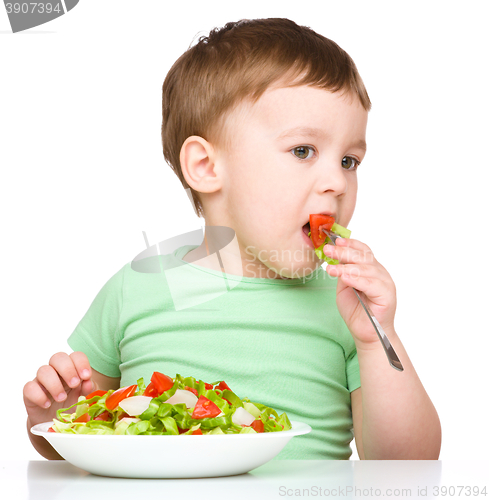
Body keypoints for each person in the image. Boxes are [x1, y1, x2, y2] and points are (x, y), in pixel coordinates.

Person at [23, 18, 441, 460]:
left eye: (350, 160)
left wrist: (378, 338)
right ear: (205, 166)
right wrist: (58, 418)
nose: (337, 181)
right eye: (303, 151)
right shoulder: (136, 288)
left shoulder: (346, 307)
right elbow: (72, 436)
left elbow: (407, 465)